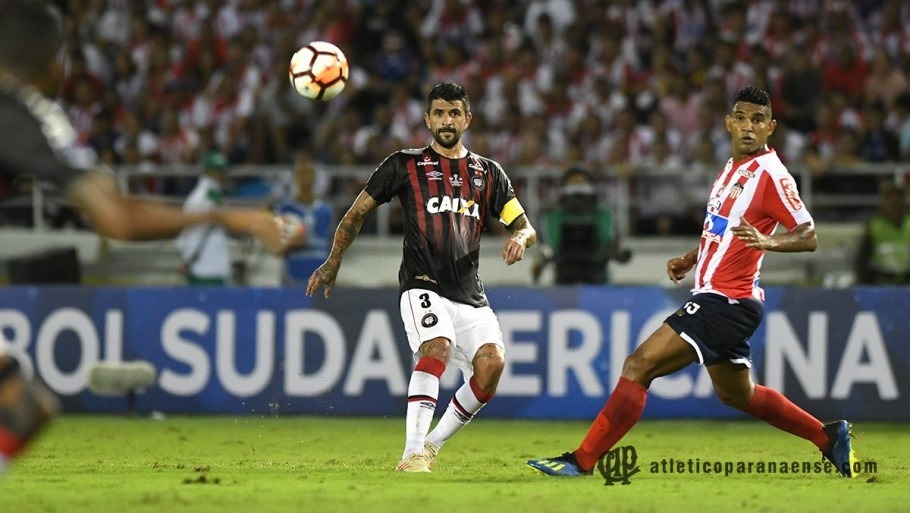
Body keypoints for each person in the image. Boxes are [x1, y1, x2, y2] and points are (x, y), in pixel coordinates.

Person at [0, 0, 291, 477]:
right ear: (52, 61)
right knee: (23, 407)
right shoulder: (21, 111)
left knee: (22, 404)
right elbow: (117, 218)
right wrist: (229, 218)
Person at [526, 86, 857, 478]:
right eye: (741, 118)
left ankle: (581, 461)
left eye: (758, 120)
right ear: (728, 123)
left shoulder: (772, 174)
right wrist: (692, 256)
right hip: (724, 299)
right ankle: (828, 437)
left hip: (726, 301)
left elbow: (808, 234)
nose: (748, 127)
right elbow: (722, 230)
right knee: (738, 394)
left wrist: (769, 241)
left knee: (639, 365)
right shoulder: (731, 170)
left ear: (771, 127)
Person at [306, 82, 537, 473]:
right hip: (421, 282)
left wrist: (519, 237)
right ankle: (412, 452)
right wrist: (333, 259)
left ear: (467, 119)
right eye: (439, 113)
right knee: (437, 347)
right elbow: (356, 213)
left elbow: (525, 226)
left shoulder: (488, 173)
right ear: (427, 119)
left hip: (469, 293)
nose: (447, 120)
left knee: (492, 366)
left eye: (454, 113)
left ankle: (431, 445)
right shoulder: (404, 164)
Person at [532, 166, 631, 284]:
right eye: (573, 183)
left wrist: (619, 253)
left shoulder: (604, 214)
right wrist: (541, 262)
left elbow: (611, 243)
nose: (577, 187)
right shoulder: (553, 216)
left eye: (581, 182)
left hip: (598, 277)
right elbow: (548, 247)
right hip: (564, 278)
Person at [273, 151, 334, 286]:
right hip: (294, 271)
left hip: (320, 273)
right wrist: (291, 242)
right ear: (295, 177)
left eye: (308, 173)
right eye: (301, 173)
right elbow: (277, 248)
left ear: (314, 177)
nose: (305, 178)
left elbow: (333, 246)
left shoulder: (326, 210)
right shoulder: (285, 209)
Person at [174, 152, 233, 286]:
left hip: (213, 260)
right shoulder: (203, 196)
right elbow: (191, 231)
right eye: (217, 171)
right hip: (204, 264)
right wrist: (187, 259)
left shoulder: (213, 194)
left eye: (222, 171)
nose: (222, 175)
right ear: (208, 171)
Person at [854, 182, 910, 285]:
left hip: (907, 282)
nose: (895, 204)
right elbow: (862, 258)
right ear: (884, 202)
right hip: (880, 282)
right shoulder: (874, 226)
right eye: (891, 199)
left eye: (898, 199)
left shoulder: (908, 223)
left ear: (904, 202)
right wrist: (862, 282)